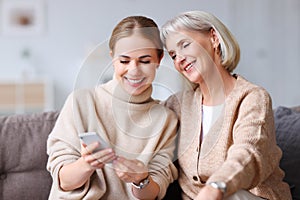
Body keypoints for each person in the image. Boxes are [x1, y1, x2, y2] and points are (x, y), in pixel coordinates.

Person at [160, 11, 292, 200]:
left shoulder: (252, 97)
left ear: (214, 38)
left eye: (185, 45)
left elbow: (247, 154)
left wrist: (216, 187)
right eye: (173, 55)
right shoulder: (177, 105)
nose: (179, 59)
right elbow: (145, 123)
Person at [47, 16, 178, 200]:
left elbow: (154, 191)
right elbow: (64, 182)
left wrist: (141, 179)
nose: (134, 70)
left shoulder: (166, 119)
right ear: (112, 59)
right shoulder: (82, 102)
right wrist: (87, 164)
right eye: (124, 61)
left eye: (145, 61)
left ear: (159, 59)